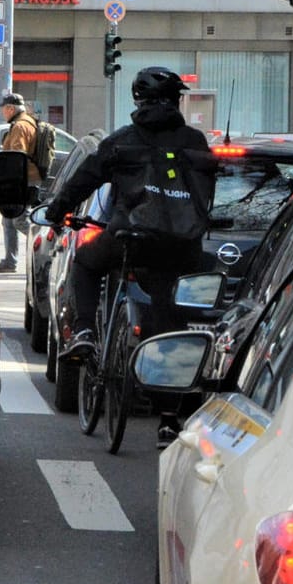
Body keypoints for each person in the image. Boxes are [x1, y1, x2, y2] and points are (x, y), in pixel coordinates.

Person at [45, 67, 217, 364]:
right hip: (182, 245)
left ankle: (84, 331)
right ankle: (168, 395)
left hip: (132, 239)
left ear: (138, 100)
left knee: (85, 261)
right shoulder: (196, 142)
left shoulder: (123, 140)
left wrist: (56, 211)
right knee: (169, 307)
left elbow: (84, 179)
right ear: (176, 101)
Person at [0, 92, 40, 273]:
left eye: (3, 109)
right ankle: (9, 261)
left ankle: (43, 245)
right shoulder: (26, 122)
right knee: (8, 220)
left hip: (22, 180)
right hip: (23, 178)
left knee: (20, 220)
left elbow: (16, 156)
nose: (2, 112)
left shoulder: (20, 126)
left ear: (10, 108)